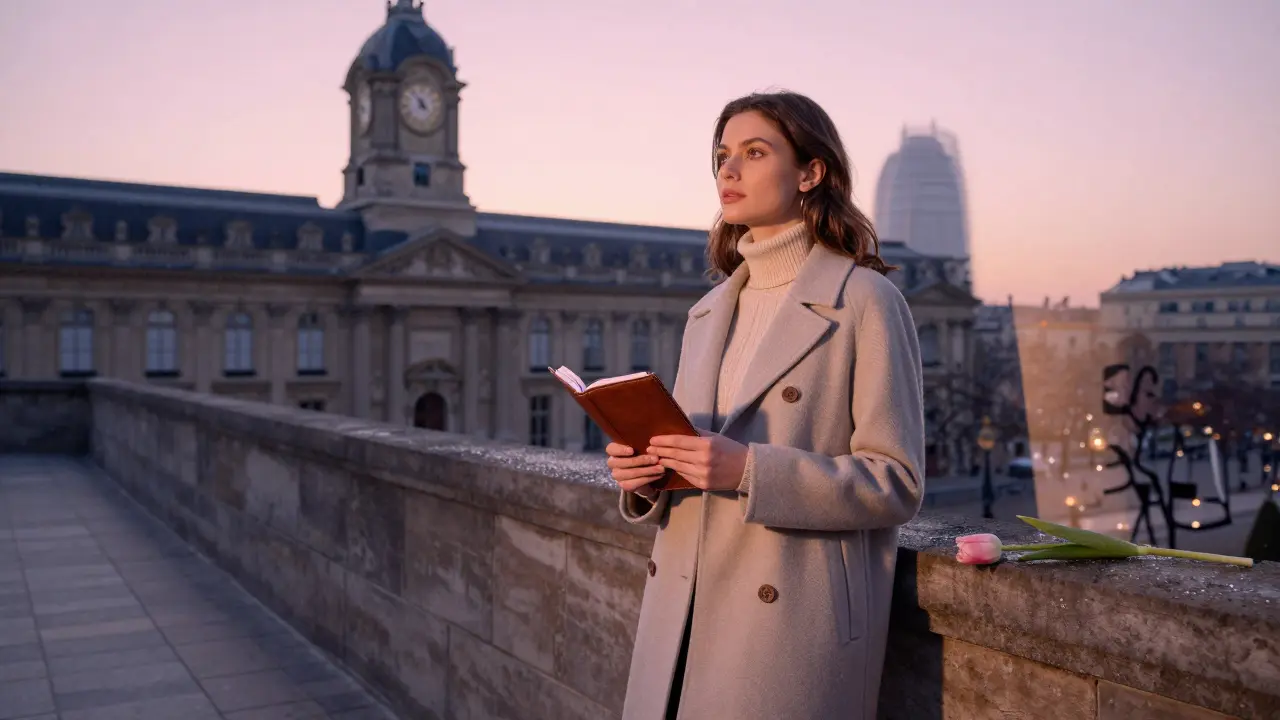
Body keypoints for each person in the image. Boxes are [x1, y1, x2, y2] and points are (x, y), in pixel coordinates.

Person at [606, 90, 926, 720]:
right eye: (723, 155)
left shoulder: (866, 300)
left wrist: (749, 471)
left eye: (755, 153)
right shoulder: (707, 311)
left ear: (812, 172)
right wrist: (646, 474)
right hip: (680, 618)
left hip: (786, 634)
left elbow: (897, 483)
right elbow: (698, 458)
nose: (729, 170)